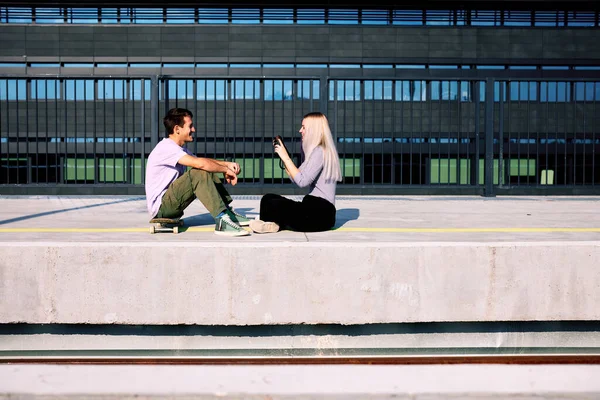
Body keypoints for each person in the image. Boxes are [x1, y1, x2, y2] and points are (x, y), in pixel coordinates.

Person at [145, 107, 250, 237]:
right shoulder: (166, 148)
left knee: (206, 168)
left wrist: (227, 164)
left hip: (170, 203)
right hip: (162, 208)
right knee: (199, 172)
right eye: (190, 126)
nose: (193, 129)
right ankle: (222, 221)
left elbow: (203, 161)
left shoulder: (178, 150)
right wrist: (225, 170)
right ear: (177, 129)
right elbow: (200, 164)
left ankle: (227, 212)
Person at [250, 112, 342, 234]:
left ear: (313, 130)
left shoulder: (320, 151)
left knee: (272, 204)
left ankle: (273, 223)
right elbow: (296, 177)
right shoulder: (316, 152)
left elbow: (302, 181)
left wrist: (286, 158)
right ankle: (273, 224)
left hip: (319, 213)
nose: (300, 130)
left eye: (303, 127)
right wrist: (284, 157)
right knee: (268, 198)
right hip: (314, 210)